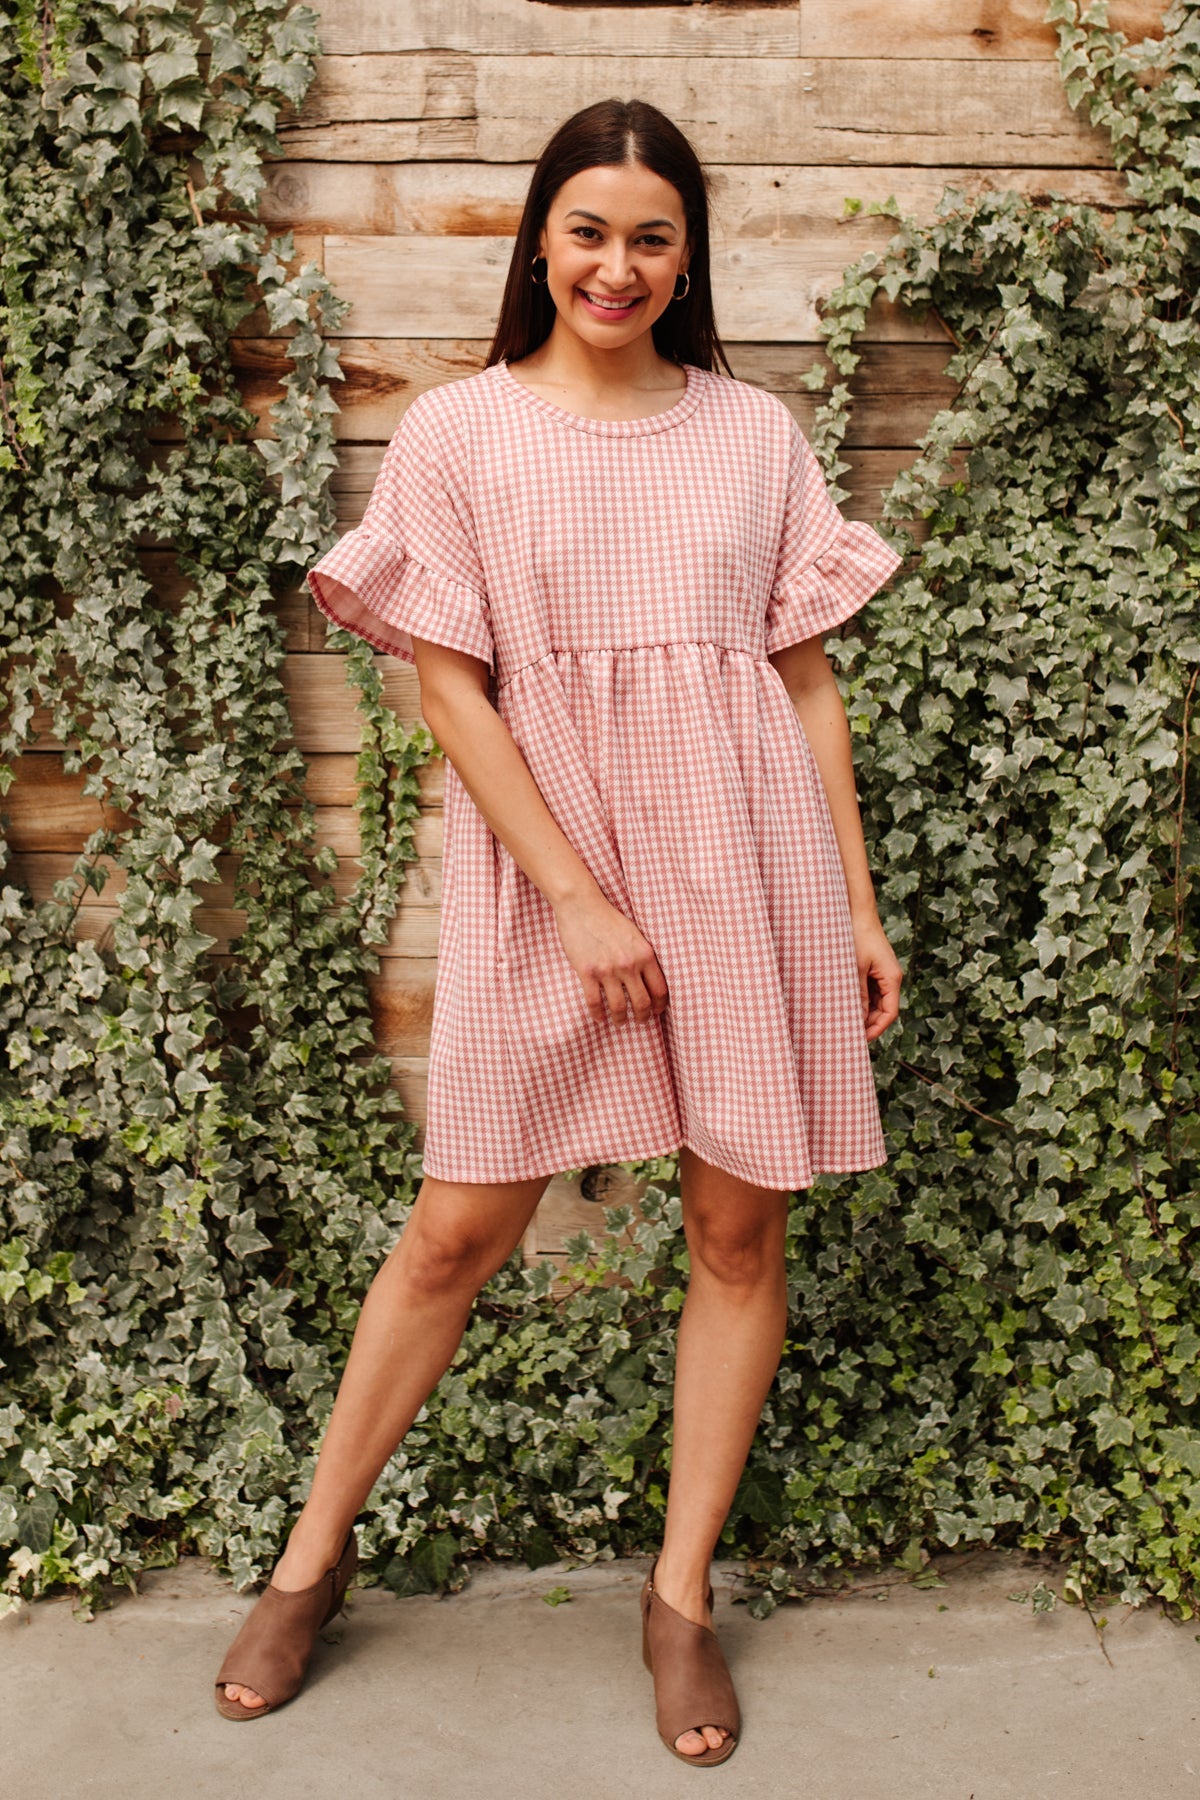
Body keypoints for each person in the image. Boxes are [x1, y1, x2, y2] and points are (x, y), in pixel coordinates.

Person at [213, 96, 903, 1767]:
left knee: (739, 1235)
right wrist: (585, 894)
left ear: (689, 257)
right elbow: (445, 682)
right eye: (590, 230)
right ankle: (310, 1562)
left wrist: (860, 907)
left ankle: (679, 1601)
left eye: (653, 236)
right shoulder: (460, 435)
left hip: (754, 878)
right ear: (541, 239)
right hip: (553, 883)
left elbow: (803, 679)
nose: (619, 264)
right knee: (456, 1231)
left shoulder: (754, 434)